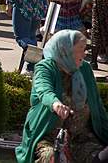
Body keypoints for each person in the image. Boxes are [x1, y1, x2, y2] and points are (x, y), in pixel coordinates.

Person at [16, 30, 108, 163]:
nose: (85, 53)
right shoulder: (45, 68)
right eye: (81, 49)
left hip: (82, 138)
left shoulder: (85, 69)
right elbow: (44, 90)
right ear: (66, 51)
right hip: (48, 139)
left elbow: (97, 106)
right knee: (55, 159)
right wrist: (55, 104)